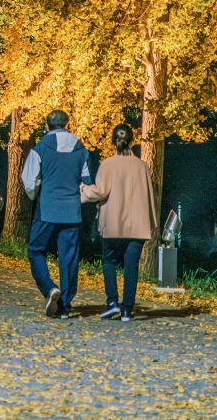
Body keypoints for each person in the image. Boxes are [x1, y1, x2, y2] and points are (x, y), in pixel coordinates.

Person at [82, 124, 159, 322]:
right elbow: (149, 195)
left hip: (113, 224)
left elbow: (100, 192)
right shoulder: (142, 166)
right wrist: (151, 222)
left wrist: (82, 189)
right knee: (131, 266)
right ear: (131, 142)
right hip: (137, 225)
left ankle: (112, 303)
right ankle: (127, 310)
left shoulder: (108, 164)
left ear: (113, 141)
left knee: (109, 262)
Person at [21, 109, 93, 318]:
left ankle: (49, 287)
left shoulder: (40, 148)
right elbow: (88, 182)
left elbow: (29, 181)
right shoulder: (81, 150)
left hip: (47, 209)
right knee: (69, 258)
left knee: (35, 250)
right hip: (72, 211)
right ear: (67, 125)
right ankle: (65, 306)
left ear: (47, 126)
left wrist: (36, 195)